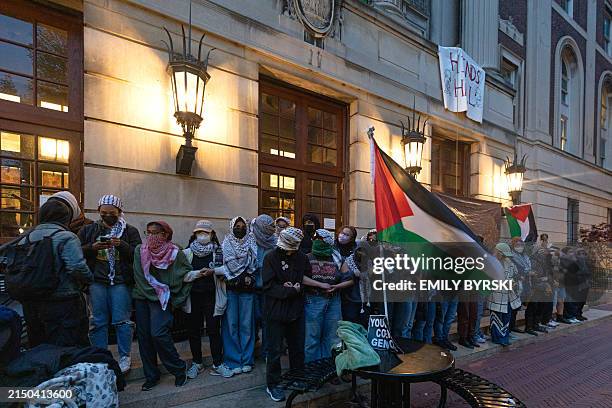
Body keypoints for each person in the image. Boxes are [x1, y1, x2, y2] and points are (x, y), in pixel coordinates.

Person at [78, 194, 141, 373]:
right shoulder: (88, 230)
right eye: (103, 212)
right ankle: (100, 356)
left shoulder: (130, 231)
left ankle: (124, 356)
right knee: (97, 320)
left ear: (119, 212)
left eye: (112, 213)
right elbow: (77, 251)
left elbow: (137, 254)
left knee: (122, 320)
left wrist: (121, 244)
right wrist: (92, 248)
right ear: (98, 211)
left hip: (120, 281)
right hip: (97, 281)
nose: (107, 216)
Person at [18, 199, 93, 348]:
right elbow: (76, 267)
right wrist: (89, 279)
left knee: (38, 344)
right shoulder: (66, 236)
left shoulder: (27, 236)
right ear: (66, 218)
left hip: (32, 301)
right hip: (63, 300)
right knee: (67, 347)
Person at [132, 221, 193, 390]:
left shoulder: (176, 253)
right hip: (143, 297)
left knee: (158, 333)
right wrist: (158, 294)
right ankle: (151, 375)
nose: (151, 236)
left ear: (165, 234)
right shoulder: (140, 250)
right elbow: (141, 278)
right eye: (148, 232)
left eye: (155, 233)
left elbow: (187, 275)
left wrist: (176, 299)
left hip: (163, 300)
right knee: (144, 338)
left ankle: (179, 369)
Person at [262, 227, 309, 402]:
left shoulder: (302, 258)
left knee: (297, 348)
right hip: (275, 311)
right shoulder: (270, 257)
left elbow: (306, 279)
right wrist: (288, 289)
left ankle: (298, 378)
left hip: (296, 311)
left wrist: (298, 288)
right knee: (274, 351)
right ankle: (272, 384)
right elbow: (268, 286)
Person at [183, 220, 231, 379]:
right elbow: (180, 275)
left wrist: (213, 271)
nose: (202, 236)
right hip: (193, 297)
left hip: (212, 296)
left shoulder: (219, 251)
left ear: (212, 234)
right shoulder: (187, 253)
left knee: (213, 330)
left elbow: (228, 269)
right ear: (194, 234)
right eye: (199, 233)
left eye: (206, 233)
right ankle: (197, 363)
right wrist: (197, 274)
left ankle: (217, 363)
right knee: (193, 331)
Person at [215, 216, 257, 376]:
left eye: (242, 226)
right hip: (231, 289)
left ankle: (247, 360)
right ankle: (233, 360)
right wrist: (235, 278)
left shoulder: (251, 244)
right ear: (231, 227)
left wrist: (247, 278)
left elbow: (255, 265)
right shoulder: (224, 245)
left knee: (246, 325)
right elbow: (219, 268)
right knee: (231, 325)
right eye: (237, 226)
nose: (240, 228)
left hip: (247, 290)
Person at [303, 228, 354, 362]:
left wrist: (336, 287)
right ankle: (310, 372)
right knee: (311, 337)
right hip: (313, 300)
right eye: (316, 239)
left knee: (332, 337)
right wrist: (319, 284)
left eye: (321, 239)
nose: (317, 242)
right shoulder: (307, 257)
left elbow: (349, 279)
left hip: (333, 301)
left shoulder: (337, 258)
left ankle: (327, 370)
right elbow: (300, 277)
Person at [488, 243, 522, 346]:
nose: (504, 256)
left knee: (506, 317)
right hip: (496, 295)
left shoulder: (510, 263)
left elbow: (516, 276)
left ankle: (504, 337)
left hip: (508, 295)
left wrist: (514, 282)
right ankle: (496, 338)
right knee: (496, 317)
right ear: (498, 252)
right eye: (502, 254)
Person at [335, 226, 362, 324]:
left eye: (347, 235)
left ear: (352, 238)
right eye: (342, 233)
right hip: (336, 288)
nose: (342, 236)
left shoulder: (357, 250)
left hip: (352, 291)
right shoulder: (333, 247)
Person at [509, 237, 530, 334]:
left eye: (521, 245)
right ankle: (509, 326)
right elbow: (515, 269)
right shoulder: (511, 256)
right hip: (515, 284)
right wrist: (522, 274)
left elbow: (528, 267)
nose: (519, 247)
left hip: (524, 283)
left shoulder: (525, 256)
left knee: (517, 306)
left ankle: (512, 325)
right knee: (512, 306)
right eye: (517, 245)